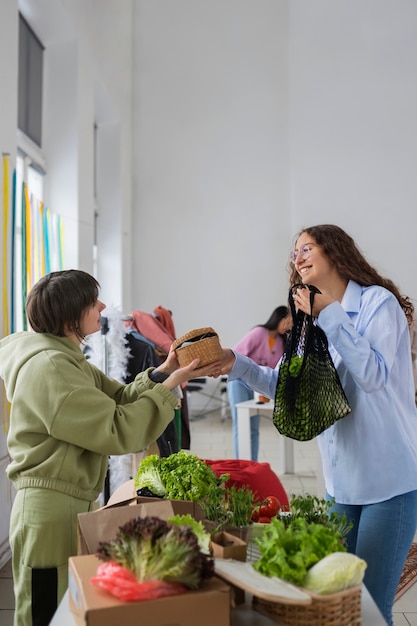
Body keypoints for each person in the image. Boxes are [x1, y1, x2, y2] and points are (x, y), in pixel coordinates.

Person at [217, 224, 417, 626]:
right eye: (295, 253)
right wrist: (235, 364)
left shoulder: (378, 304)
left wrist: (330, 314)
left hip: (389, 485)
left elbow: (373, 375)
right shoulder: (308, 322)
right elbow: (288, 388)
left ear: (335, 252)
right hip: (341, 486)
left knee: (371, 610)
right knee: (340, 603)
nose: (298, 257)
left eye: (306, 248)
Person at [0, 269, 220, 626]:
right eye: (93, 302)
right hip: (50, 512)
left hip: (66, 502)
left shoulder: (63, 356)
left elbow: (117, 397)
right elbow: (118, 429)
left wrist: (164, 372)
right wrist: (169, 391)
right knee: (44, 613)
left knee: (66, 607)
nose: (102, 306)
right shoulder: (52, 367)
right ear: (71, 315)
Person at [226, 306, 291, 461]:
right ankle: (241, 463)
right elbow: (237, 355)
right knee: (241, 424)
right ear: (278, 318)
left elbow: (275, 372)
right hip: (239, 382)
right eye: (287, 321)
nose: (289, 325)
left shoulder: (282, 343)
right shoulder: (259, 333)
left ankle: (252, 463)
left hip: (258, 386)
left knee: (254, 427)